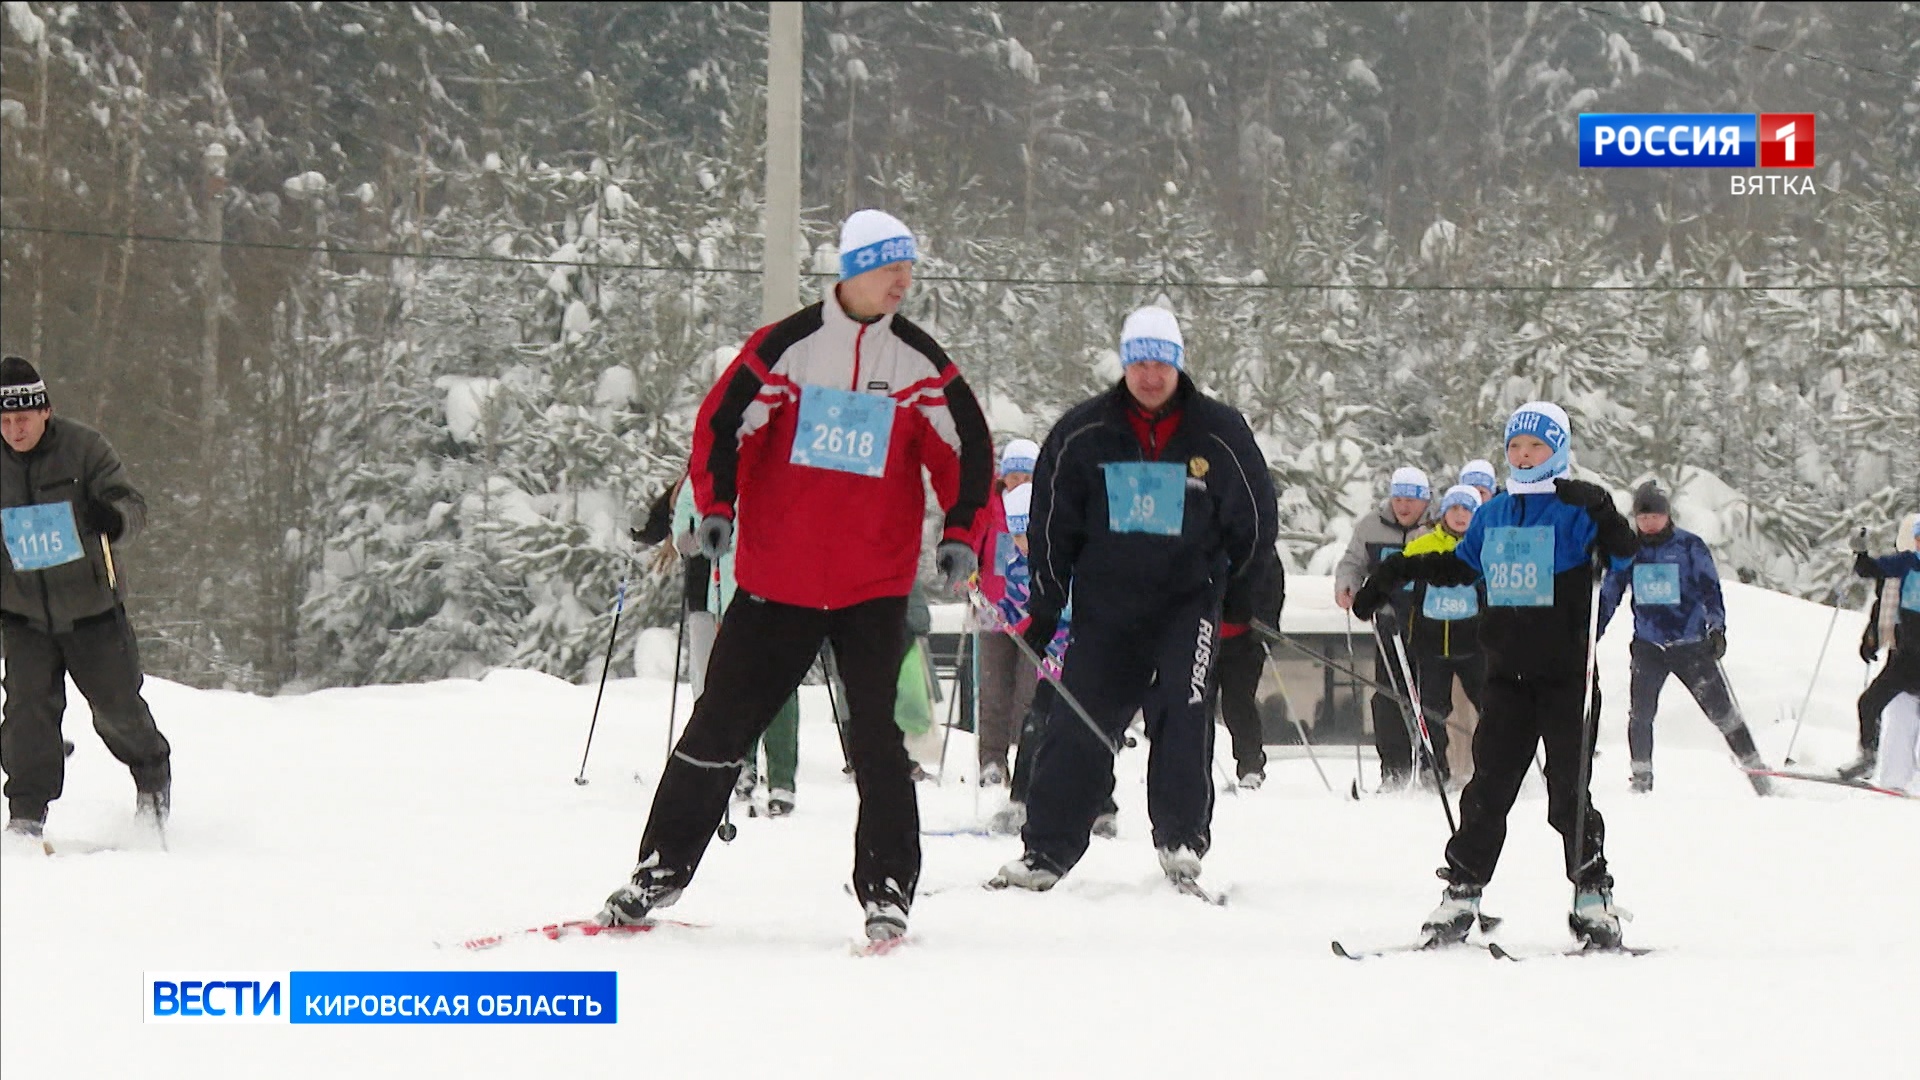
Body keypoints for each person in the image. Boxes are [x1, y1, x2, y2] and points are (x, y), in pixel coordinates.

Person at [598, 210, 994, 943]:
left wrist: (964, 532)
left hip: (872, 589)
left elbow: (966, 448)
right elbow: (722, 426)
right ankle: (656, 873)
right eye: (888, 269)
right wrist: (716, 505)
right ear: (851, 272)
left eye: (908, 270)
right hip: (777, 583)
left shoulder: (917, 363)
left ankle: (887, 891)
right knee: (718, 727)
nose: (902, 282)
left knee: (879, 745)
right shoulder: (787, 349)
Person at [989, 305, 1278, 893]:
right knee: (1080, 721)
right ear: (1124, 366)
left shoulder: (1218, 432)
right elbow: (1051, 522)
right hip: (1106, 608)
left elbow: (1254, 517)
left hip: (1187, 605)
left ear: (1178, 365)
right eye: (1139, 363)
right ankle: (1046, 849)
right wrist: (1046, 602)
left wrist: (1242, 597)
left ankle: (1180, 839)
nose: (1150, 376)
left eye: (1161, 363)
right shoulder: (1083, 433)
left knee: (1184, 709)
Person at [1353, 401, 1638, 948]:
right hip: (1506, 675)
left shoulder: (1575, 510)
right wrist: (1396, 571)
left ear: (1558, 451)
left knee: (1568, 789)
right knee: (1487, 789)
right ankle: (1462, 890)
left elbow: (1625, 554)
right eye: (1515, 447)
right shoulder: (1494, 513)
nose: (1525, 455)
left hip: (1566, 677)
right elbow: (1462, 565)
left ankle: (1591, 894)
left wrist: (1603, 510)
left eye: (1537, 447)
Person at [1, 356, 172, 837]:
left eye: (23, 419)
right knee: (27, 715)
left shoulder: (84, 448)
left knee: (117, 709)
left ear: (45, 412)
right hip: (23, 615)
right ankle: (26, 817)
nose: (14, 430)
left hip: (92, 610)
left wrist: (113, 519)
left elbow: (133, 506)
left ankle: (152, 781)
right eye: (5, 421)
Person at [1597, 482, 1771, 796]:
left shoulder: (1689, 546)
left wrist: (1717, 628)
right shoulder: (1630, 550)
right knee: (1640, 714)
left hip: (1691, 645)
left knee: (1722, 711)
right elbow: (1611, 594)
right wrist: (1593, 630)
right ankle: (1641, 778)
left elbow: (1710, 590)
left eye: (1654, 515)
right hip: (1649, 646)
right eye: (1642, 516)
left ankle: (1757, 770)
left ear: (1667, 515)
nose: (1648, 522)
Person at [669, 473, 801, 816]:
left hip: (782, 590)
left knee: (780, 686)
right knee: (738, 685)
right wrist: (696, 536)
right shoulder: (708, 473)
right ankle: (743, 764)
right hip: (729, 594)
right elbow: (684, 524)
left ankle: (782, 779)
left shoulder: (783, 465)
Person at [1335, 465, 1433, 789]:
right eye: (1398, 498)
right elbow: (1352, 562)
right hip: (1388, 623)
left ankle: (1434, 767)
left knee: (1431, 695)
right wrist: (1347, 585)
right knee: (1389, 697)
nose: (1403, 506)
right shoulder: (1370, 527)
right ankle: (1394, 770)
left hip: (1430, 623)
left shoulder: (1437, 527)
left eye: (1411, 500)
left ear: (1425, 501)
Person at [1397, 484, 1487, 787]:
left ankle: (1495, 766)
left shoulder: (1484, 545)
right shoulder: (1425, 544)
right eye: (1454, 509)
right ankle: (1432, 766)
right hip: (1432, 645)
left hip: (1475, 645)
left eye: (1467, 510)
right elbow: (1398, 575)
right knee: (1432, 709)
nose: (1460, 516)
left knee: (1490, 707)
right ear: (1444, 513)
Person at [969, 439, 1041, 786]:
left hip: (1037, 615)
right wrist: (968, 572)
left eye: (1026, 476)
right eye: (1012, 476)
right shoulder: (989, 508)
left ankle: (1031, 759)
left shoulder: (1048, 507)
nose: (1018, 483)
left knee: (1030, 694)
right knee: (994, 691)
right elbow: (970, 547)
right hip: (994, 613)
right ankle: (992, 760)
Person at [1842, 516, 1920, 782]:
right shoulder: (1906, 564)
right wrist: (1860, 552)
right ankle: (1867, 757)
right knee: (1868, 703)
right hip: (1904, 660)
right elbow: (1869, 570)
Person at [1214, 545, 1285, 788]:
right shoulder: (1201, 529)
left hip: (1245, 640)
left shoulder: (1256, 537)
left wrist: (1267, 622)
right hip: (1202, 636)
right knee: (1196, 705)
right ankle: (1194, 764)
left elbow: (1272, 586)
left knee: (1238, 703)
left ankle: (1251, 765)